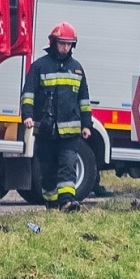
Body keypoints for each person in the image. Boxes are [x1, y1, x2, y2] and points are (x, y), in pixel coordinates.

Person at [21, 22, 92, 211]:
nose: (65, 48)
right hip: (45, 130)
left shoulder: (77, 69)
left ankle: (67, 202)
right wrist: (27, 116)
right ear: (53, 42)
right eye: (62, 43)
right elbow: (28, 94)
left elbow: (84, 99)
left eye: (69, 44)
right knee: (47, 169)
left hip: (70, 133)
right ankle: (51, 203)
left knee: (68, 165)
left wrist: (87, 125)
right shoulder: (39, 67)